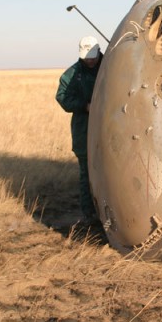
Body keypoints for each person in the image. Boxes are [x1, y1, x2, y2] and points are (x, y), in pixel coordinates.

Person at [56, 36, 103, 224]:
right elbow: (62, 98)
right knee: (87, 172)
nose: (90, 61)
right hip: (84, 129)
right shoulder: (72, 74)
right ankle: (89, 214)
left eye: (93, 57)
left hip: (110, 128)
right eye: (87, 58)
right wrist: (84, 106)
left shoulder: (112, 67)